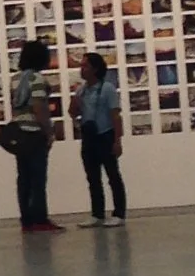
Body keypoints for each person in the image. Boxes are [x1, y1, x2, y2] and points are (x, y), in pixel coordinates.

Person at [9, 37, 63, 233]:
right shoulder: (38, 80)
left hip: (20, 134)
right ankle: (40, 219)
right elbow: (39, 108)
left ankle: (27, 220)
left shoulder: (15, 79)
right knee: (38, 178)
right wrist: (49, 132)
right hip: (34, 134)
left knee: (24, 178)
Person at [75, 50, 128, 225]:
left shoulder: (107, 89)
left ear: (95, 68)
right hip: (88, 137)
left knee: (112, 175)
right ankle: (97, 213)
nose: (81, 69)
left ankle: (119, 213)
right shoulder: (82, 90)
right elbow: (72, 112)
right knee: (92, 177)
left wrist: (117, 141)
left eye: (85, 66)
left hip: (105, 134)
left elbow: (115, 116)